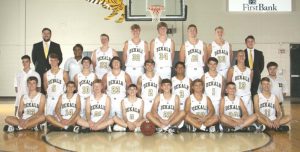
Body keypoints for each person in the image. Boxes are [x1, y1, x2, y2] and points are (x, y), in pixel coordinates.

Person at [32, 28, 62, 94]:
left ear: (50, 35)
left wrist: (53, 68)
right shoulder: (36, 46)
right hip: (39, 72)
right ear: (42, 34)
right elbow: (34, 59)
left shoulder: (56, 46)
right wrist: (40, 67)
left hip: (52, 72)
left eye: (48, 33)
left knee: (52, 90)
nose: (46, 35)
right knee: (40, 92)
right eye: (44, 33)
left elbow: (60, 58)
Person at [227, 50, 253, 115]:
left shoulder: (250, 71)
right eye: (239, 55)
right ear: (236, 57)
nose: (241, 57)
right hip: (236, 96)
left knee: (249, 117)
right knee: (235, 117)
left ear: (245, 57)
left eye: (243, 55)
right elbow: (228, 84)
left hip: (247, 97)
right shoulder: (232, 69)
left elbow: (250, 83)